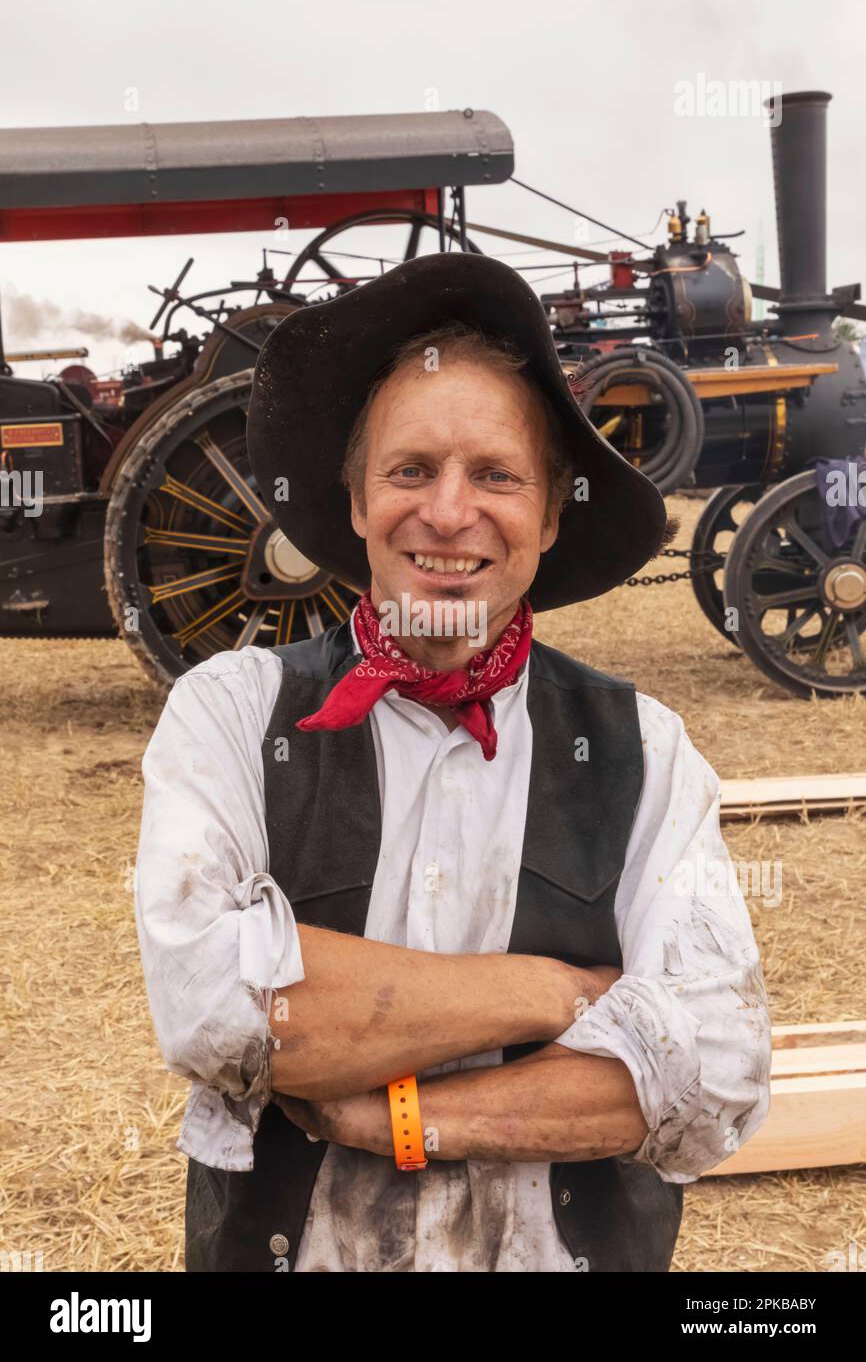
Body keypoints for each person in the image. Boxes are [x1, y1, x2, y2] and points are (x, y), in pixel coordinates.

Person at [134, 252, 771, 1273]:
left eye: (495, 475)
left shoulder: (643, 749)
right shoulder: (229, 714)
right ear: (353, 500)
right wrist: (560, 991)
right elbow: (222, 1015)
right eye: (409, 470)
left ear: (549, 515)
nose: (446, 511)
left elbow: (714, 1072)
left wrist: (395, 1116)